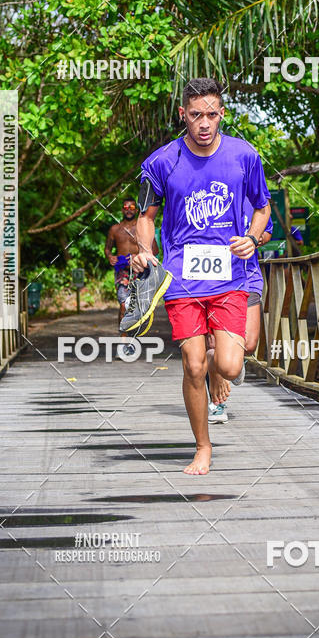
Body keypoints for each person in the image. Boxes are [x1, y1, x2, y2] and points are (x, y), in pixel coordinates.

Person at [125, 77, 271, 475]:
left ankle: (216, 360)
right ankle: (202, 447)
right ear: (182, 116)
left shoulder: (245, 156)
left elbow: (262, 208)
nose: (204, 123)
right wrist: (145, 252)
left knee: (230, 366)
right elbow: (145, 217)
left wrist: (253, 239)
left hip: (229, 278)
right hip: (183, 278)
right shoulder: (160, 162)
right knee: (192, 366)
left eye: (211, 114)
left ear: (222, 113)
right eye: (195, 116)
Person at [207, 199, 273, 423]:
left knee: (250, 343)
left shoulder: (254, 200)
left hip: (248, 275)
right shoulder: (211, 195)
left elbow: (268, 232)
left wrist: (253, 240)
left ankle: (231, 362)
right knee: (215, 344)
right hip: (215, 279)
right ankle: (217, 404)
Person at [105, 198, 158, 347]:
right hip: (122, 272)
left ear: (136, 210)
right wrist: (110, 257)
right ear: (122, 210)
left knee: (134, 306)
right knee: (123, 304)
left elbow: (155, 250)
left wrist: (138, 257)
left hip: (139, 271)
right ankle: (123, 340)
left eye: (132, 207)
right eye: (125, 207)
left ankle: (132, 334)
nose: (128, 209)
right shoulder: (115, 229)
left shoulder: (143, 228)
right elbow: (107, 249)